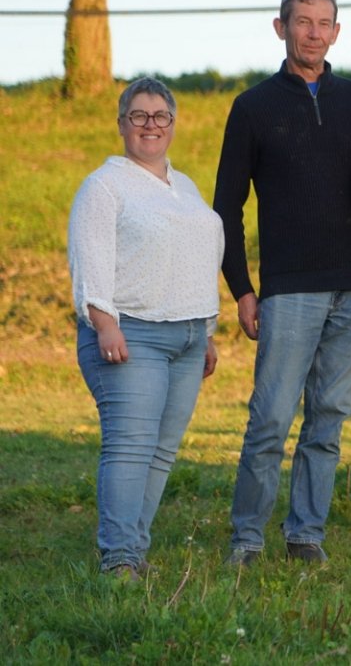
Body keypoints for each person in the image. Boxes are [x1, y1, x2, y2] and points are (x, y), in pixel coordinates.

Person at [213, 0, 351, 566]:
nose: (313, 34)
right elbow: (226, 206)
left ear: (336, 32)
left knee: (328, 418)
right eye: (303, 22)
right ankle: (247, 538)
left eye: (323, 24)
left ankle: (305, 534)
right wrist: (242, 289)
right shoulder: (252, 108)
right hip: (289, 291)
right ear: (281, 27)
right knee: (270, 418)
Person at [68, 77, 224, 581]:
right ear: (122, 125)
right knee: (130, 447)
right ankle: (118, 560)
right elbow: (90, 258)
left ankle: (133, 550)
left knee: (160, 451)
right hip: (132, 334)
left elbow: (197, 258)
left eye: (160, 116)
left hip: (187, 338)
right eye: (139, 115)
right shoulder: (104, 186)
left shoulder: (186, 187)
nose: (150, 125)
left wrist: (207, 331)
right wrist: (104, 323)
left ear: (173, 124)